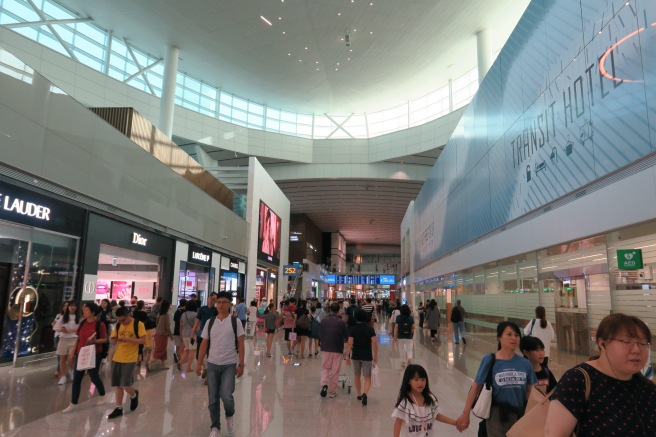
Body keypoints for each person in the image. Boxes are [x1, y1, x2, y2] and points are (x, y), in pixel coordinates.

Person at [545, 313, 656, 436]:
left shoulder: (648, 388)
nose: (636, 350)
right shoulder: (578, 380)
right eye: (627, 341)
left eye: (643, 343)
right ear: (602, 344)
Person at [456, 321, 536, 436]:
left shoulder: (525, 364)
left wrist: (531, 414)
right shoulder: (490, 359)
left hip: (520, 414)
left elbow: (531, 391)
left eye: (517, 335)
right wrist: (466, 413)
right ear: (499, 337)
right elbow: (476, 387)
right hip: (497, 415)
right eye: (509, 334)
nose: (514, 338)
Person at [196, 291, 245, 437]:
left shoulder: (235, 322)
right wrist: (199, 364)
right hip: (212, 364)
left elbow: (241, 344)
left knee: (226, 395)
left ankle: (229, 415)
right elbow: (204, 344)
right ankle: (215, 427)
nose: (221, 305)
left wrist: (241, 364)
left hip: (230, 364)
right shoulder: (210, 322)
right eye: (219, 302)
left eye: (224, 302)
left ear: (230, 304)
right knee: (213, 398)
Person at [62, 303, 107, 412]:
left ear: (92, 312)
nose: (84, 312)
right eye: (84, 310)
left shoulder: (99, 324)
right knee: (77, 378)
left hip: (94, 353)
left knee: (93, 376)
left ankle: (102, 394)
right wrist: (73, 352)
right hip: (81, 354)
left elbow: (105, 339)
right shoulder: (82, 323)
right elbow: (78, 339)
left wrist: (95, 341)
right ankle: (73, 402)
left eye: (86, 310)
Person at [392, 364, 458, 436]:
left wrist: (455, 422)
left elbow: (437, 415)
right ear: (409, 381)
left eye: (423, 379)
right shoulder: (405, 402)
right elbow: (398, 423)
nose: (420, 383)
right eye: (416, 380)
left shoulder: (430, 398)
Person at [108, 306, 146, 419]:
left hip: (130, 358)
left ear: (128, 315)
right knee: (117, 384)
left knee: (125, 384)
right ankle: (119, 407)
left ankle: (134, 394)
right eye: (119, 320)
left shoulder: (138, 324)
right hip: (117, 357)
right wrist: (113, 340)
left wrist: (127, 340)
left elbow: (143, 340)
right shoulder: (119, 325)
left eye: (123, 320)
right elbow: (113, 340)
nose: (121, 323)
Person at [345, 309, 378, 406]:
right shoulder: (370, 329)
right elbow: (374, 343)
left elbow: (350, 343)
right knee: (367, 377)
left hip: (356, 355)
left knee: (357, 375)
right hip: (367, 356)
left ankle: (359, 394)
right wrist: (376, 355)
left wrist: (347, 356)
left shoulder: (353, 329)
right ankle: (365, 393)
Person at [319, 302, 348, 399]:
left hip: (326, 347)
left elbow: (321, 333)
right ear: (338, 310)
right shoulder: (342, 322)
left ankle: (324, 384)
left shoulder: (324, 321)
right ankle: (332, 391)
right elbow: (346, 336)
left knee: (325, 368)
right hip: (337, 348)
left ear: (330, 310)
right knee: (335, 370)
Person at [192, 292, 218, 378]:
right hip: (202, 334)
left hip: (212, 335)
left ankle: (209, 376)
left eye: (213, 299)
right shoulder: (202, 309)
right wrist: (192, 333)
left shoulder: (216, 311)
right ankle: (205, 368)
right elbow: (197, 321)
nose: (211, 300)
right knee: (198, 355)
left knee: (210, 355)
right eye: (210, 298)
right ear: (207, 299)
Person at [54, 300, 79, 385]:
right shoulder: (63, 317)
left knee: (70, 358)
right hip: (63, 339)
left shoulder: (78, 317)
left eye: (74, 306)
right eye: (71, 305)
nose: (72, 307)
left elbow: (79, 328)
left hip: (74, 340)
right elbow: (56, 327)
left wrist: (70, 330)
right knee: (62, 359)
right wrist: (62, 330)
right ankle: (63, 376)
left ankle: (72, 371)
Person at [149, 299, 173, 369]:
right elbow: (167, 327)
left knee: (162, 349)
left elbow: (156, 323)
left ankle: (163, 364)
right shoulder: (166, 315)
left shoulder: (159, 314)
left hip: (158, 333)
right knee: (161, 350)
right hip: (163, 334)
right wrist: (171, 335)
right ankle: (151, 362)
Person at [179, 300, 198, 371]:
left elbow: (181, 326)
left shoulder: (183, 314)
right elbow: (197, 326)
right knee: (192, 350)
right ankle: (188, 367)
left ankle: (180, 362)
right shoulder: (195, 314)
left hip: (184, 334)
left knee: (187, 349)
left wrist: (181, 335)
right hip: (192, 336)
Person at [173, 298, 187, 368]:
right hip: (183, 331)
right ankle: (179, 356)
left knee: (177, 344)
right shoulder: (185, 313)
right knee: (183, 345)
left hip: (176, 330)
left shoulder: (177, 311)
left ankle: (178, 356)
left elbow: (175, 319)